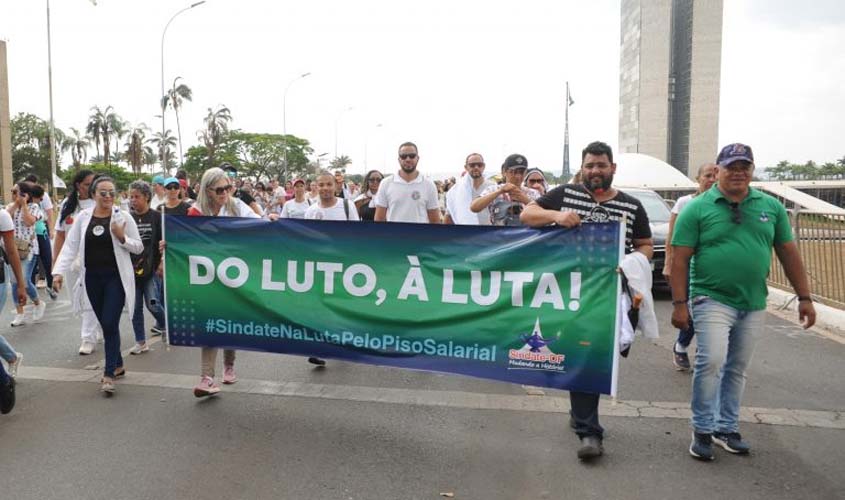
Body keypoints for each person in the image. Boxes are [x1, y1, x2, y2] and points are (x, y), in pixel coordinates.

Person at [670, 143, 815, 461]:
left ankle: (726, 427)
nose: (738, 172)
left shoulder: (770, 207)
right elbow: (679, 259)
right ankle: (702, 429)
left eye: (744, 167)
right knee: (711, 361)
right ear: (718, 170)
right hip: (710, 298)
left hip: (753, 301)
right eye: (731, 166)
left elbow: (788, 253)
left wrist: (804, 297)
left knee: (737, 367)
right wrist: (680, 304)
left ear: (752, 170)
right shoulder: (697, 208)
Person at [521, 141, 653, 461]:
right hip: (571, 293)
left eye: (601, 165)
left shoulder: (632, 206)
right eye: (590, 165)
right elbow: (528, 213)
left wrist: (632, 265)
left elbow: (645, 245)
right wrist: (557, 215)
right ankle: (589, 430)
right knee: (583, 352)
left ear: (612, 169)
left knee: (598, 355)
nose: (595, 171)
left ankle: (581, 414)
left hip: (610, 294)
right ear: (583, 168)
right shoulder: (566, 194)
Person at [53, 176, 143, 395]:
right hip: (92, 278)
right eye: (103, 193)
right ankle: (119, 363)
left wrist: (122, 238)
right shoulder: (83, 218)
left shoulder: (123, 218)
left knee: (110, 322)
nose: (108, 197)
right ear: (93, 195)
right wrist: (57, 272)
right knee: (105, 322)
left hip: (115, 278)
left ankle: (108, 373)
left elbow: (138, 247)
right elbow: (70, 247)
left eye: (112, 192)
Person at [185, 167, 261, 397]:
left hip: (236, 273)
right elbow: (187, 243)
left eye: (228, 188)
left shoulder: (236, 205)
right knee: (211, 322)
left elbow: (259, 223)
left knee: (230, 320)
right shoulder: (196, 213)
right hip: (209, 277)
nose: (224, 193)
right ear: (207, 190)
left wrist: (273, 220)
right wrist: (169, 248)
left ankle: (229, 365)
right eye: (219, 189)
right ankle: (207, 378)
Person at [663, 163, 717, 371]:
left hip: (711, 269)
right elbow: (671, 236)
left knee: (708, 311)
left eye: (715, 176)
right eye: (707, 175)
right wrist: (668, 264)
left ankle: (704, 353)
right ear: (698, 178)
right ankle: (681, 345)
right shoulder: (685, 203)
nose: (711, 179)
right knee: (691, 309)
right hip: (685, 266)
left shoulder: (724, 205)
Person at [53, 169, 103, 354]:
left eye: (93, 183)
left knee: (89, 297)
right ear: (78, 185)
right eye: (87, 184)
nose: (90, 187)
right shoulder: (68, 204)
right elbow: (59, 234)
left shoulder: (98, 202)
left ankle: (87, 338)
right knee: (77, 299)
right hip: (71, 259)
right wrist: (56, 264)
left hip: (94, 260)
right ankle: (95, 327)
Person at [128, 180, 165, 355]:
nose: (133, 200)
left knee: (153, 304)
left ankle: (167, 325)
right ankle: (140, 342)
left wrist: (162, 263)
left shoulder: (157, 217)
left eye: (137, 197)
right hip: (131, 270)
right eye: (131, 197)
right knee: (135, 309)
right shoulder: (127, 218)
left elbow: (165, 243)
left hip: (152, 270)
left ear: (147, 197)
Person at [6, 182, 47, 326]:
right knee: (14, 281)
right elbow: (4, 218)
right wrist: (16, 205)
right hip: (11, 250)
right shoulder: (9, 207)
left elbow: (29, 222)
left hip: (28, 250)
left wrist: (23, 205)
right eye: (12, 191)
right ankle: (20, 313)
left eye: (16, 191)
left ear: (26, 194)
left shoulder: (34, 207)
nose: (14, 194)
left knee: (23, 278)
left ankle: (37, 302)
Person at [374, 142, 441, 224]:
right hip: (393, 236)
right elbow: (379, 219)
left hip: (421, 236)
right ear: (399, 159)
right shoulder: (386, 184)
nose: (408, 159)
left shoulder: (429, 185)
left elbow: (434, 220)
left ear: (418, 158)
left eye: (412, 156)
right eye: (403, 156)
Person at [471, 154, 540, 226]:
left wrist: (525, 200)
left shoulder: (533, 193)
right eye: (513, 172)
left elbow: (543, 214)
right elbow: (474, 207)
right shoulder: (493, 189)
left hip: (525, 235)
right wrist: (499, 192)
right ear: (504, 172)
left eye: (521, 172)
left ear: (525, 173)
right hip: (499, 234)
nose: (518, 176)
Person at [445, 153, 495, 225]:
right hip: (466, 233)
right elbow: (449, 215)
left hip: (488, 233)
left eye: (479, 165)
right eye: (472, 165)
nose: (476, 167)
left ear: (484, 166)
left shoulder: (493, 187)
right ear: (466, 167)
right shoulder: (455, 191)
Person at [28, 184, 57, 299]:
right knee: (32, 264)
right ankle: (32, 291)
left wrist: (50, 229)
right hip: (32, 237)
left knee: (47, 260)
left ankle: (50, 285)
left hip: (42, 233)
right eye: (40, 198)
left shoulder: (36, 206)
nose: (41, 200)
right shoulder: (27, 206)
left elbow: (47, 214)